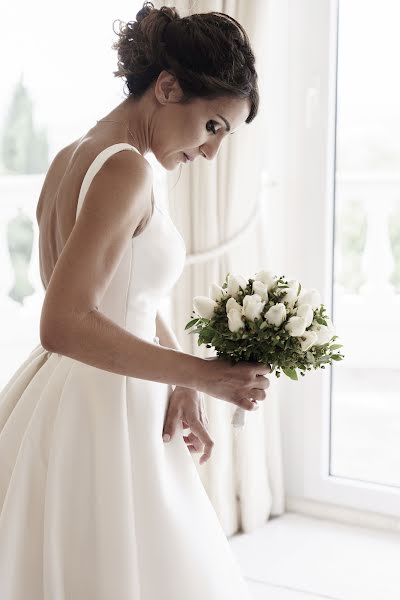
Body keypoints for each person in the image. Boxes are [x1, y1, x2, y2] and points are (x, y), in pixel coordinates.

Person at [0, 3, 271, 599]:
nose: (209, 154)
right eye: (212, 127)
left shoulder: (74, 154)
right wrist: (206, 374)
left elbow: (129, 298)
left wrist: (182, 384)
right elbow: (64, 323)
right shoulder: (125, 171)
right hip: (106, 407)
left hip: (71, 395)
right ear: (168, 88)